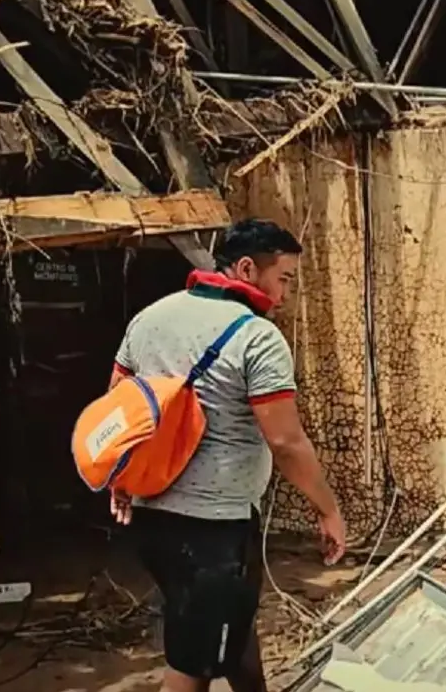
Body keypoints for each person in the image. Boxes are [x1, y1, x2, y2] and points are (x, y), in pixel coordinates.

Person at [107, 218, 346, 692]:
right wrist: (329, 509)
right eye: (284, 278)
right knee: (193, 663)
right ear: (245, 269)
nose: (285, 294)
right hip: (214, 528)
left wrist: (122, 478)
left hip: (155, 518)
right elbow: (285, 441)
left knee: (227, 631)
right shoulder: (257, 337)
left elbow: (119, 407)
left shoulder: (149, 318)